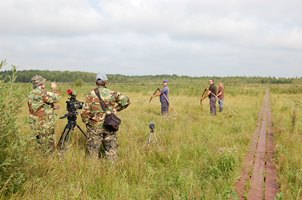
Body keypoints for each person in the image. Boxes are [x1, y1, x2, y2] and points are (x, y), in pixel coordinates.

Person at [81, 73, 130, 161]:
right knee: (111, 149)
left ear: (96, 82)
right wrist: (115, 109)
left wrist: (86, 122)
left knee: (93, 150)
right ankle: (112, 170)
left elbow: (85, 111)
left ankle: (92, 170)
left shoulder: (90, 94)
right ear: (106, 82)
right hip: (110, 124)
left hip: (95, 126)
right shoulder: (112, 93)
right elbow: (126, 101)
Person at [28, 75, 61, 154]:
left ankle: (41, 158)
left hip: (35, 123)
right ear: (41, 84)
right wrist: (54, 89)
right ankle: (49, 161)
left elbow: (39, 105)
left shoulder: (31, 93)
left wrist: (51, 106)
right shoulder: (42, 93)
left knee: (39, 143)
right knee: (49, 144)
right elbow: (57, 98)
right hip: (45, 123)